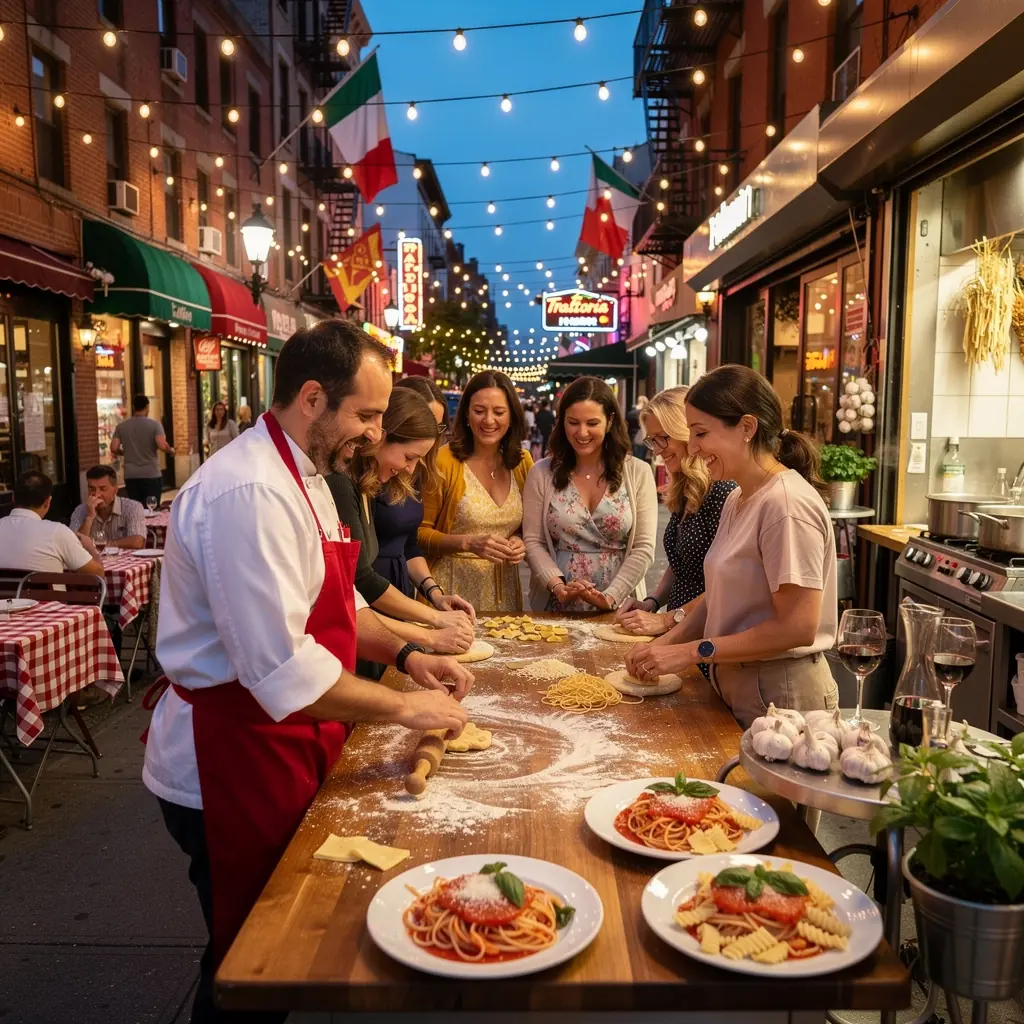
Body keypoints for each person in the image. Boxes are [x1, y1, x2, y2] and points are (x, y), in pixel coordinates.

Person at [143, 319, 473, 1024]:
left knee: (288, 943)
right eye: (368, 414)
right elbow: (281, 671)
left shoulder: (309, 476)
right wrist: (411, 711)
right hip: (227, 757)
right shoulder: (250, 493)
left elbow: (342, 603)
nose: (375, 432)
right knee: (252, 960)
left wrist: (413, 656)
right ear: (315, 399)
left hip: (284, 741)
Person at [626, 365, 839, 728]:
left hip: (782, 693)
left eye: (702, 433)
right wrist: (664, 645)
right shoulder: (739, 497)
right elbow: (717, 598)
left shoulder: (785, 505)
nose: (693, 447)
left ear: (746, 427)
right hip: (743, 682)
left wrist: (692, 651)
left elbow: (796, 628)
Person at [328, 387, 475, 677]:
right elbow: (359, 582)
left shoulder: (366, 485)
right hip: (359, 632)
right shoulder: (342, 485)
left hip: (378, 621)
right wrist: (432, 624)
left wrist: (433, 598)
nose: (410, 469)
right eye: (408, 457)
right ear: (382, 436)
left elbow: (407, 546)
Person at [523, 376, 657, 613]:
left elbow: (644, 547)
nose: (582, 432)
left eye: (592, 423)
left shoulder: (638, 471)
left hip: (621, 603)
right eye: (573, 422)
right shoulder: (542, 472)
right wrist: (557, 586)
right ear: (562, 422)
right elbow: (534, 541)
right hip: (556, 600)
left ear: (610, 421)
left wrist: (611, 596)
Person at [615, 386, 736, 636]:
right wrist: (652, 602)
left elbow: (729, 586)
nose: (657, 449)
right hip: (679, 625)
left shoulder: (722, 490)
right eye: (652, 440)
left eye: (664, 437)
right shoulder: (684, 485)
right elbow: (681, 565)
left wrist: (668, 619)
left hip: (708, 630)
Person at [418, 371, 533, 613]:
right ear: (466, 415)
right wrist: (468, 543)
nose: (488, 420)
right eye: (479, 411)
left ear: (512, 415)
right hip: (450, 592)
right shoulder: (443, 461)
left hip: (506, 594)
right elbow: (418, 534)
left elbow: (530, 529)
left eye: (499, 412)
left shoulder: (523, 462)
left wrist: (520, 542)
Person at [372, 378, 476, 621]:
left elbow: (409, 543)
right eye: (422, 421)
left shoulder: (410, 469)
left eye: (437, 427)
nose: (427, 433)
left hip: (399, 593)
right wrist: (433, 619)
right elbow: (362, 576)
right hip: (373, 599)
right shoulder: (373, 475)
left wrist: (434, 593)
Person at [0, 472, 102, 575]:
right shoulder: (57, 532)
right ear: (48, 502)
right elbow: (98, 574)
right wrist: (92, 549)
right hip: (44, 591)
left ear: (13, 498)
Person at [110, 394, 175, 508]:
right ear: (147, 407)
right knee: (152, 508)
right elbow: (162, 445)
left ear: (134, 407)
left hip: (131, 475)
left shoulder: (122, 426)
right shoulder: (155, 425)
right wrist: (171, 451)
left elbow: (114, 448)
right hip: (151, 474)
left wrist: (124, 452)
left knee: (136, 510)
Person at [70, 465, 146, 551]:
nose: (97, 494)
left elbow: (137, 542)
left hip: (126, 562)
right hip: (94, 563)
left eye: (103, 489)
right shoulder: (80, 511)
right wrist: (89, 517)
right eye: (92, 489)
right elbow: (74, 546)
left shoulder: (132, 507)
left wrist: (103, 544)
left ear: (115, 489)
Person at [627, 394, 649, 461]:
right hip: (643, 437)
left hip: (632, 437)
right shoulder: (645, 413)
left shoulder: (630, 413)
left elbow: (627, 425)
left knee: (634, 458)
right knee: (641, 457)